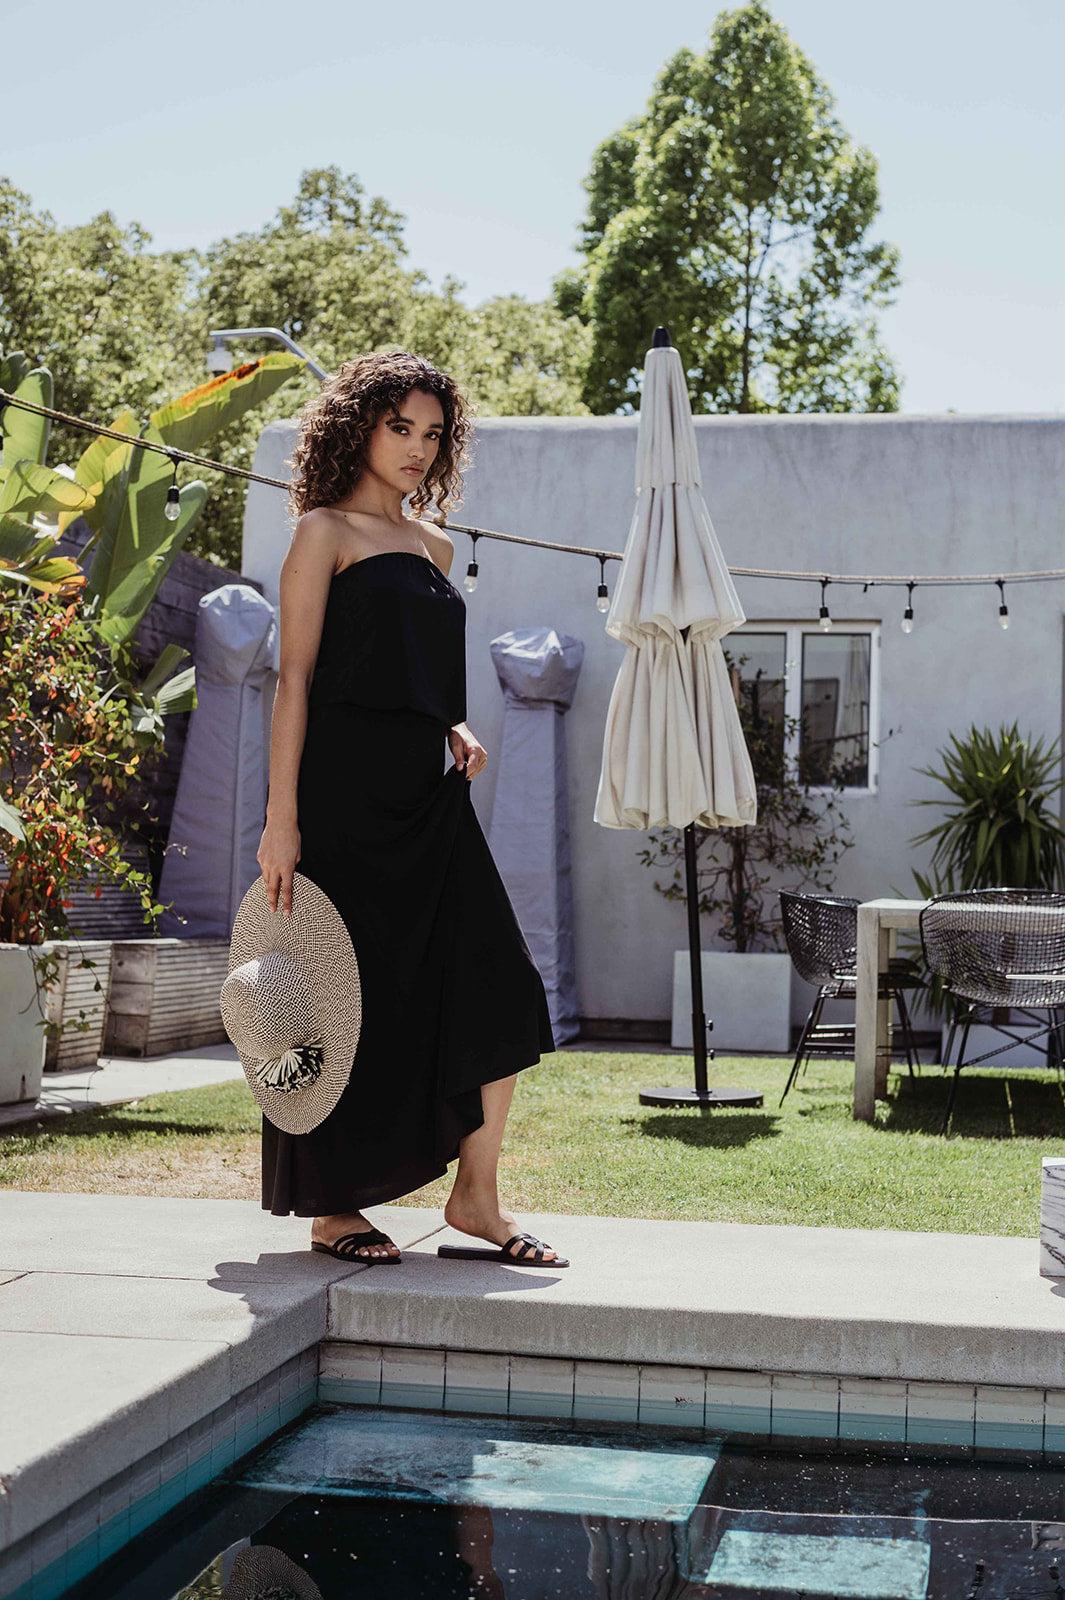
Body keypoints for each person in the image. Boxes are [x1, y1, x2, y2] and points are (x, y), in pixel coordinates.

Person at [255, 349, 565, 1268]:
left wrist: (455, 722)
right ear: (359, 426)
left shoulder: (435, 545)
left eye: (432, 435)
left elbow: (406, 665)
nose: (418, 449)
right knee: (338, 996)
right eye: (402, 428)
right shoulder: (323, 532)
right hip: (340, 796)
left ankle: (475, 1199)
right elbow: (297, 680)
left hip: (427, 797)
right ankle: (332, 1206)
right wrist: (281, 819)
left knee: (497, 983)